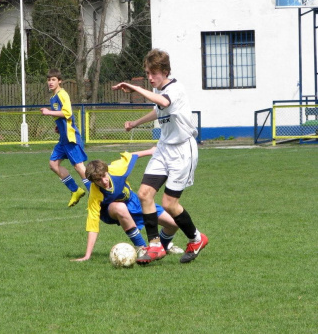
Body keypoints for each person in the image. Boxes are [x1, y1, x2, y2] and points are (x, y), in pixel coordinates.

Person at [112, 48, 208, 264]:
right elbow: (158, 110)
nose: (150, 77)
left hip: (183, 150)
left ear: (165, 71)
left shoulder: (176, 89)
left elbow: (164, 102)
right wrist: (136, 123)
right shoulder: (161, 91)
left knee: (169, 204)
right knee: (145, 194)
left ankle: (196, 238)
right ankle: (155, 245)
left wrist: (136, 88)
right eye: (147, 73)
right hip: (164, 148)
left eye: (153, 73)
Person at [71, 147, 183, 262]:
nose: (103, 181)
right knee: (120, 207)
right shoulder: (95, 194)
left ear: (107, 171)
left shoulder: (117, 169)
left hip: (133, 201)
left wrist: (151, 151)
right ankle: (142, 248)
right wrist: (87, 255)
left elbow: (130, 156)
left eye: (104, 176)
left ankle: (161, 248)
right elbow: (92, 224)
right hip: (111, 211)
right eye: (98, 180)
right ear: (93, 181)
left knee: (173, 224)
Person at [40, 69, 90, 207]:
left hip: (71, 137)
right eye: (49, 80)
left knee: (79, 167)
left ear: (60, 81)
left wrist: (49, 112)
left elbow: (68, 113)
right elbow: (60, 115)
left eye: (53, 79)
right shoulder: (52, 98)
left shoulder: (63, 94)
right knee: (53, 164)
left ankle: (97, 198)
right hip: (63, 138)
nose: (50, 82)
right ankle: (76, 190)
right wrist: (58, 126)